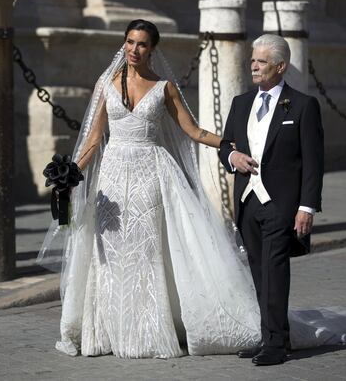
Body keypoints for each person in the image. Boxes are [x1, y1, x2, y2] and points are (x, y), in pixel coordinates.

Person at [39, 19, 262, 358]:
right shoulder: (107, 82)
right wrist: (69, 176)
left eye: (142, 44)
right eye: (130, 42)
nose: (134, 49)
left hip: (150, 176)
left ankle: (147, 331)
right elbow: (95, 139)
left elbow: (195, 132)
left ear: (152, 49)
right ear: (123, 43)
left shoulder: (165, 88)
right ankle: (108, 332)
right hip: (111, 179)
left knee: (145, 252)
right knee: (110, 255)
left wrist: (231, 146)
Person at [219, 34, 324, 365]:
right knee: (258, 271)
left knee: (275, 272)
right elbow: (226, 145)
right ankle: (271, 336)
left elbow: (313, 161)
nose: (253, 65)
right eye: (253, 59)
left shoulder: (303, 106)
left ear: (280, 66)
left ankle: (276, 345)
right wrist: (231, 159)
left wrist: (306, 207)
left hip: (281, 204)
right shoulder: (240, 102)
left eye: (261, 61)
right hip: (248, 202)